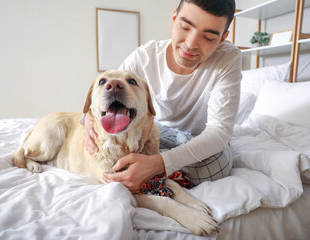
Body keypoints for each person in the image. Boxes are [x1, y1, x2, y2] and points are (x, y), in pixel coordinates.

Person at [84, 0, 241, 192]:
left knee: (216, 168)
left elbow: (219, 132)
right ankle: (158, 162)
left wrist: (159, 163)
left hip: (199, 137)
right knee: (120, 147)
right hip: (157, 131)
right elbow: (106, 97)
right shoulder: (144, 57)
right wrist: (87, 123)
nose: (191, 44)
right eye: (185, 27)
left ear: (223, 38)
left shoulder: (228, 59)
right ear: (174, 18)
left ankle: (155, 163)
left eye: (208, 37)